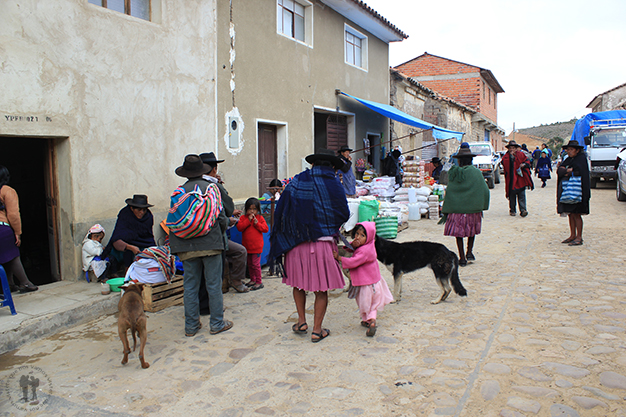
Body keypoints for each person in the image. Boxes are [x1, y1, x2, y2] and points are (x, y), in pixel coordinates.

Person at [269, 149, 349, 343]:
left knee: (298, 284)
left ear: (313, 165)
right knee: (321, 290)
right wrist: (326, 223)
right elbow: (343, 214)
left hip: (296, 244)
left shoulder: (296, 183)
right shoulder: (334, 185)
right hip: (322, 245)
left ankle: (302, 321)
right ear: (332, 167)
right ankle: (317, 330)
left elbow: (282, 211)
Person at [169, 154, 232, 337]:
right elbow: (221, 217)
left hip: (186, 245)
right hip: (210, 244)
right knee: (213, 285)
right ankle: (217, 323)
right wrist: (220, 231)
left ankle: (191, 326)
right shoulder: (211, 188)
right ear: (203, 170)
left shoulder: (180, 191)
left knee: (190, 286)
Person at [200, 152, 249, 294]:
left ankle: (194, 313)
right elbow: (225, 210)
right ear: (214, 169)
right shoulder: (213, 187)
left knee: (193, 281)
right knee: (215, 278)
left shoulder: (187, 187)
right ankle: (235, 282)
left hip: (193, 240)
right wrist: (229, 220)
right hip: (214, 239)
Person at [333, 222, 393, 337]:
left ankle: (368, 320)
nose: (358, 237)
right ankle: (371, 320)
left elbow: (353, 261)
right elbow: (352, 248)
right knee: (373, 304)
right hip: (375, 282)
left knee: (364, 303)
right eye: (357, 234)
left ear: (369, 237)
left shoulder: (364, 251)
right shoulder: (369, 246)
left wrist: (339, 257)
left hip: (366, 284)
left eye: (362, 235)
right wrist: (354, 245)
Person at [440, 147, 490, 266]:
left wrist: (448, 206)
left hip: (457, 210)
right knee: (471, 231)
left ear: (460, 161)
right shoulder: (476, 172)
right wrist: (481, 204)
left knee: (459, 234)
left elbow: (450, 190)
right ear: (471, 160)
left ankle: (462, 258)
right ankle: (469, 252)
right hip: (473, 209)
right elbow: (485, 190)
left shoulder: (455, 172)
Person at [0, 165, 38, 293]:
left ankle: (9, 284)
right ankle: (25, 283)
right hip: (3, 229)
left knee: (5, 256)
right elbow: (13, 215)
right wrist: (17, 232)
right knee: (13, 255)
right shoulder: (7, 191)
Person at [102, 194, 156, 276]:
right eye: (139, 210)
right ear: (132, 208)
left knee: (153, 254)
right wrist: (130, 247)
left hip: (143, 243)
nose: (142, 212)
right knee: (123, 252)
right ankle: (123, 273)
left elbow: (148, 237)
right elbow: (116, 238)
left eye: (144, 210)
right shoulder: (125, 215)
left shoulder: (148, 217)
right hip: (126, 245)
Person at [557, 140, 590, 246]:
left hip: (578, 192)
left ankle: (579, 237)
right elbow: (560, 170)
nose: (569, 152)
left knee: (577, 214)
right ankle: (572, 235)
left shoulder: (581, 159)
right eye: (568, 150)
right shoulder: (568, 160)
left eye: (571, 149)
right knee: (570, 214)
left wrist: (569, 171)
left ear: (577, 150)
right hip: (568, 191)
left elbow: (581, 172)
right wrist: (568, 171)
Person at [237, 197, 268, 291]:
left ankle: (259, 281)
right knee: (250, 264)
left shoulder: (260, 218)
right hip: (247, 246)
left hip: (256, 246)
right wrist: (248, 221)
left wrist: (257, 223)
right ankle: (252, 279)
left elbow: (265, 229)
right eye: (250, 209)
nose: (252, 211)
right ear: (246, 209)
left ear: (258, 210)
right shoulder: (243, 218)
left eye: (254, 209)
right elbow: (240, 227)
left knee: (256, 264)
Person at [502, 140, 534, 217]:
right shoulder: (506, 157)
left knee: (521, 195)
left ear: (516, 148)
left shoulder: (521, 155)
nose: (511, 149)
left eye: (513, 148)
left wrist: (524, 164)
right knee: (512, 196)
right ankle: (512, 210)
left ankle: (523, 210)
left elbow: (527, 161)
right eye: (510, 148)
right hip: (511, 179)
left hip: (520, 179)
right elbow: (504, 164)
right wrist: (511, 158)